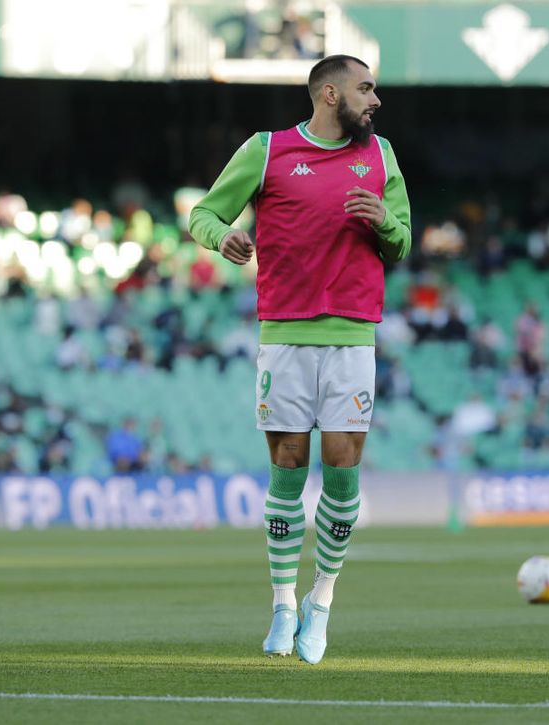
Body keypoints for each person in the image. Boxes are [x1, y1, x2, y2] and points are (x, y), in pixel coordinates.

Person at [189, 55, 411, 664]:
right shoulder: (268, 150)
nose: (376, 100)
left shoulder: (381, 155)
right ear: (329, 93)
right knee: (288, 464)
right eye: (366, 88)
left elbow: (404, 240)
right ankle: (284, 603)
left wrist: (385, 219)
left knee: (342, 469)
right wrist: (221, 236)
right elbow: (204, 213)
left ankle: (323, 599)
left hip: (351, 336)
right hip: (284, 334)